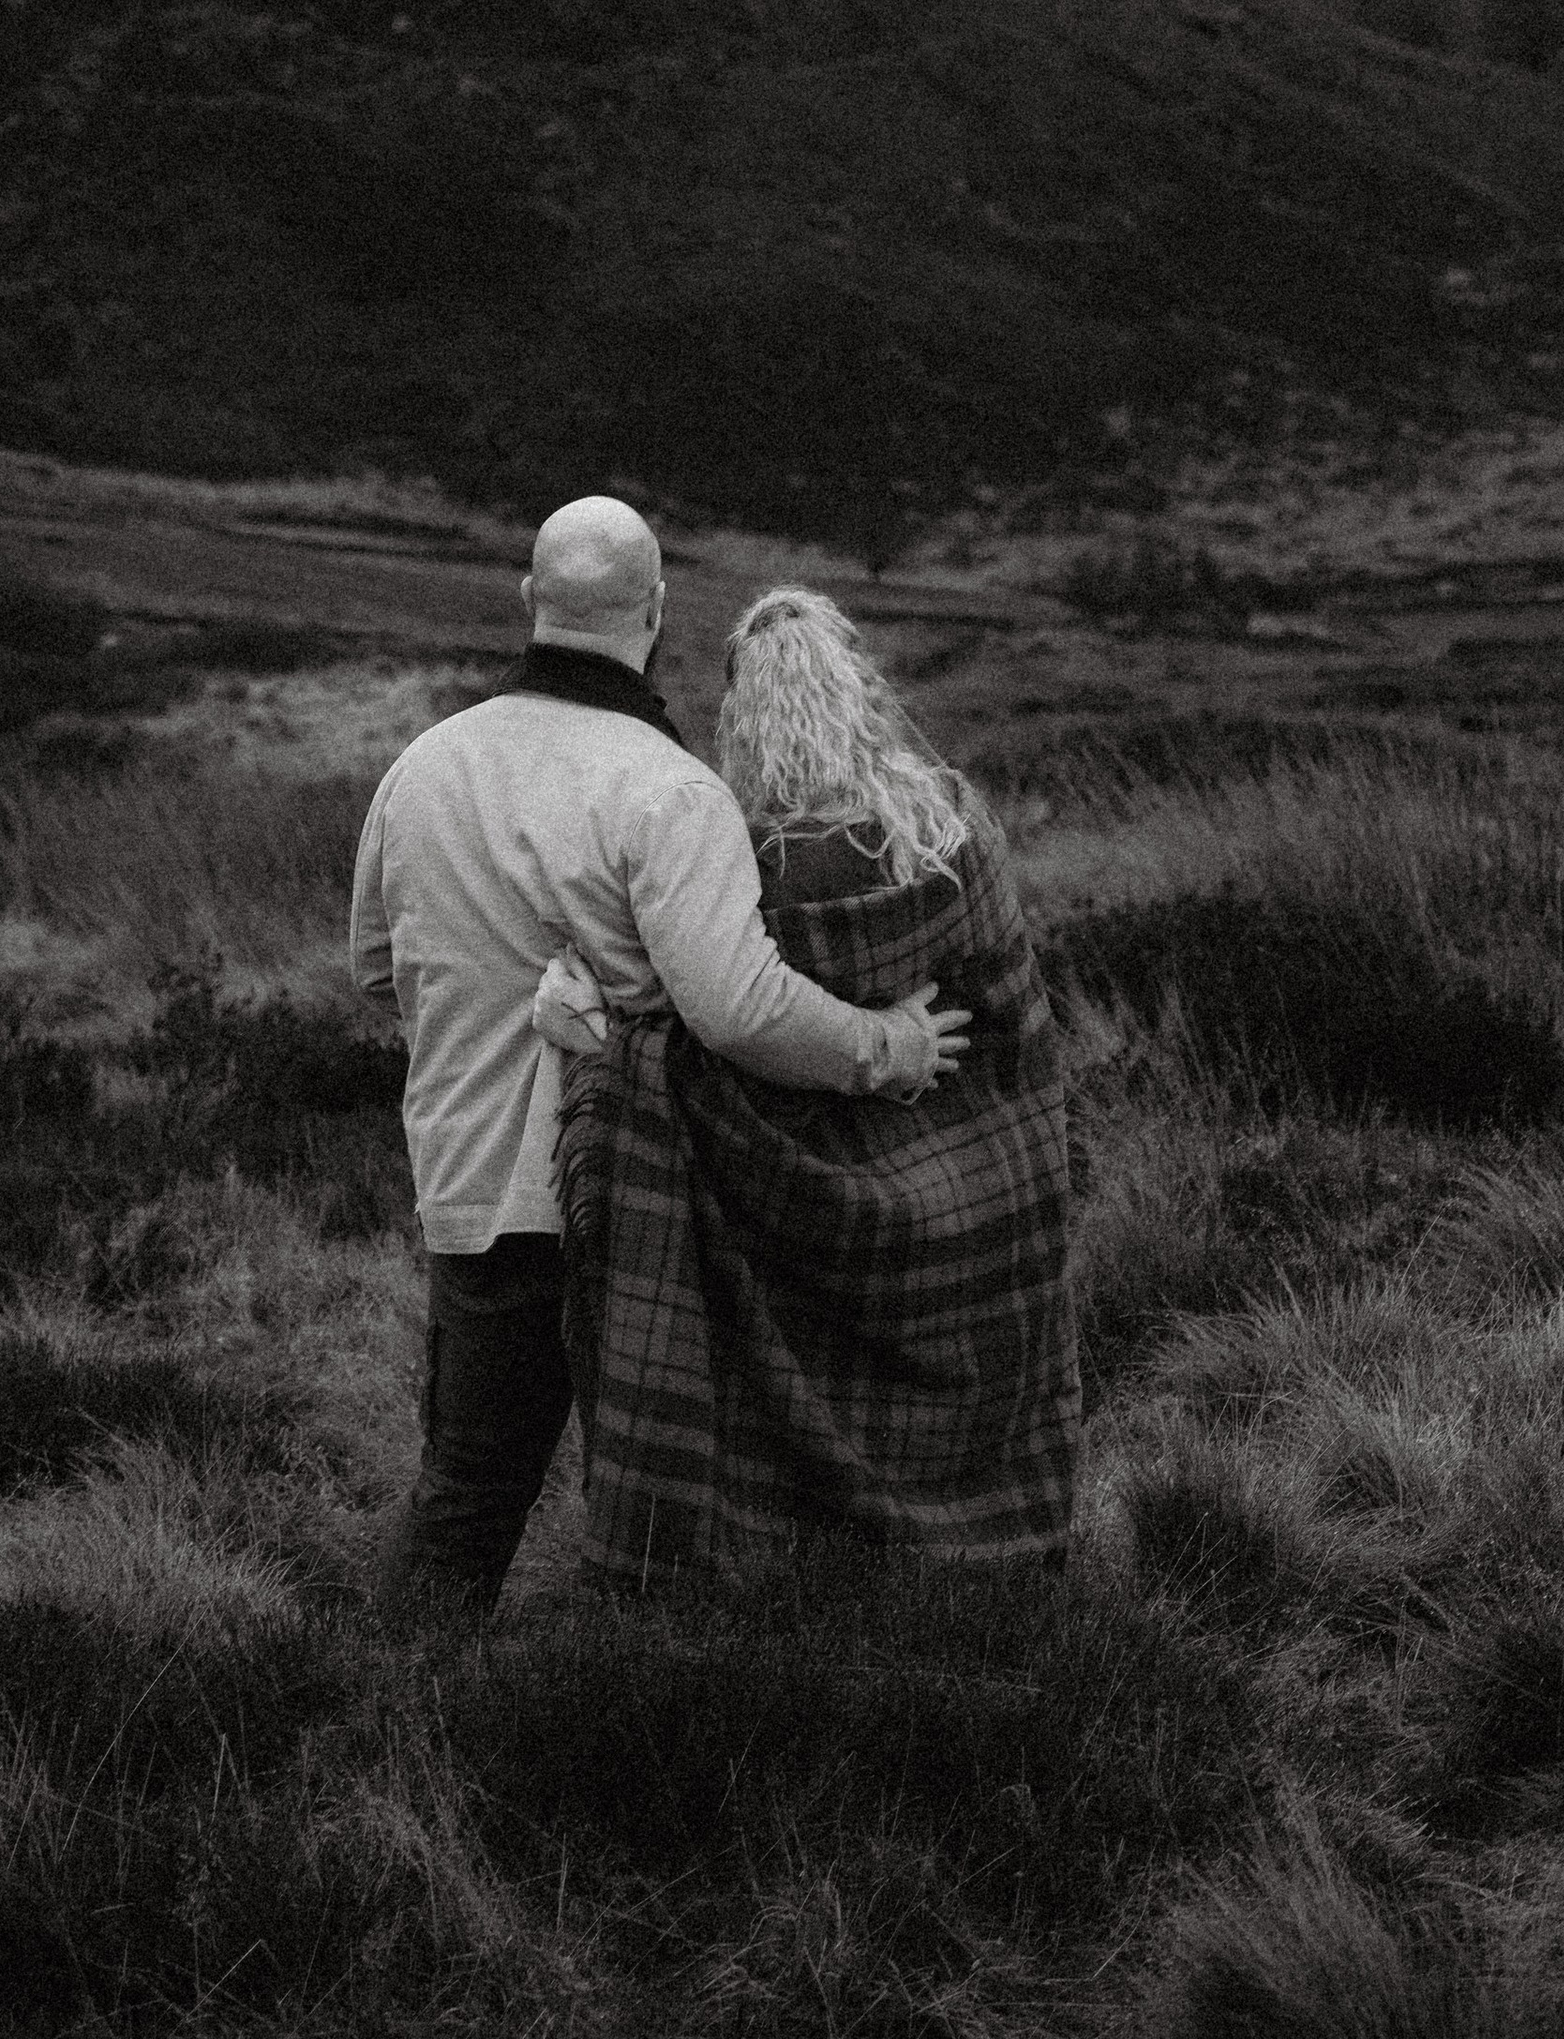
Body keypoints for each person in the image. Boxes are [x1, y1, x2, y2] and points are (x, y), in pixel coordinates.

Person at [350, 496, 970, 1625]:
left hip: (470, 1187)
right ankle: (644, 1733)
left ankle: (394, 1741)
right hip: (639, 1204)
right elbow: (739, 1008)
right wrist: (892, 1047)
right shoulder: (669, 789)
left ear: (529, 599)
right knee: (672, 1508)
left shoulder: (420, 769)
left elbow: (378, 970)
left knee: (468, 1494)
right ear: (659, 610)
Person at [544, 583, 1080, 1581]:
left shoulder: (735, 861)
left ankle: (793, 1556)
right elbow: (1015, 1016)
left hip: (796, 1210)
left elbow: (710, 1021)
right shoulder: (952, 827)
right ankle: (995, 1547)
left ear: (742, 712)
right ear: (856, 688)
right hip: (965, 1192)